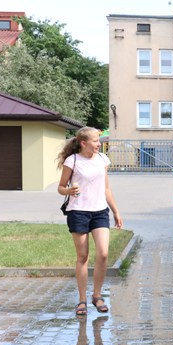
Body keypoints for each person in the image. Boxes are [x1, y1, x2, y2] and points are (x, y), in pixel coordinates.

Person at [57, 127, 123, 316]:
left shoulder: (103, 159)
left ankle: (97, 296)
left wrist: (116, 211)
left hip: (100, 211)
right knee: (83, 256)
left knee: (103, 254)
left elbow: (106, 188)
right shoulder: (73, 160)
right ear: (84, 143)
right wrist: (67, 191)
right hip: (78, 212)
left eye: (99, 140)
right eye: (95, 141)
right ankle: (82, 300)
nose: (99, 144)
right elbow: (61, 187)